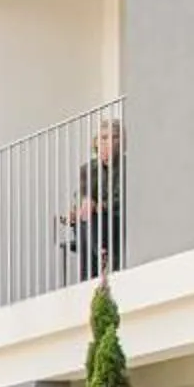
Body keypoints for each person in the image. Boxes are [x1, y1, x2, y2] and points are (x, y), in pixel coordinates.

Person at [69, 116, 123, 280]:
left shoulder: (126, 165)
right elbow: (81, 195)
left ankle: (99, 258)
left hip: (116, 220)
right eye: (104, 138)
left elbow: (124, 195)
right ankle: (100, 254)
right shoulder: (88, 169)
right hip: (93, 223)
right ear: (97, 143)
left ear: (121, 142)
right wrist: (79, 208)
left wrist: (102, 206)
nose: (109, 142)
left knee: (90, 219)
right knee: (85, 219)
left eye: (114, 137)